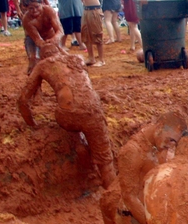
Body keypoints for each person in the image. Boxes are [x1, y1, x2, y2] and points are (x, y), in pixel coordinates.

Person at [18, 43, 116, 189]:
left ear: (43, 56)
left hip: (67, 115)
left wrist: (31, 123)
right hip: (93, 112)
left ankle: (79, 144)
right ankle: (114, 194)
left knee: (73, 119)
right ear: (60, 51)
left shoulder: (43, 65)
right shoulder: (78, 58)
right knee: (106, 161)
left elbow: (23, 100)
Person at [99, 111, 188, 224]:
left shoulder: (159, 144)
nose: (171, 145)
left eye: (175, 142)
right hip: (124, 213)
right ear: (160, 126)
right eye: (171, 140)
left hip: (142, 207)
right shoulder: (132, 151)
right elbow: (129, 197)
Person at [21, 0, 63, 74]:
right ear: (26, 9)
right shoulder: (26, 20)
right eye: (31, 8)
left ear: (42, 4)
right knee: (33, 59)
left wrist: (55, 39)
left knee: (59, 58)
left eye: (37, 7)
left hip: (51, 35)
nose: (35, 10)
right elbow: (37, 40)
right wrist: (45, 44)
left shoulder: (49, 11)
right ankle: (34, 82)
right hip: (32, 39)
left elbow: (60, 30)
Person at [79, 0, 105, 67]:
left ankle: (101, 59)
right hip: (87, 9)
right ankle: (91, 57)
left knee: (97, 34)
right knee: (86, 34)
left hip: (94, 9)